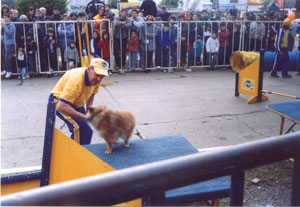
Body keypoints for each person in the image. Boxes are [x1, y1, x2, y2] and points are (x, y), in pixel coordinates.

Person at [48, 58, 109, 145]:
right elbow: (61, 106)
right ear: (89, 69)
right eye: (97, 74)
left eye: (102, 76)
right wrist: (84, 117)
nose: (99, 79)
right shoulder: (76, 79)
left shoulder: (96, 81)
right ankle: (74, 156)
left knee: (87, 129)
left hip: (76, 102)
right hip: (58, 101)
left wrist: (88, 112)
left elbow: (91, 96)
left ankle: (84, 153)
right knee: (78, 128)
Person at [1, 14, 16, 79]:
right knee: (4, 57)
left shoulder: (11, 25)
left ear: (9, 18)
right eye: (4, 18)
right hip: (5, 43)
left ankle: (9, 71)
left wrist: (5, 27)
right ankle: (5, 69)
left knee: (7, 57)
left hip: (10, 43)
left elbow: (10, 34)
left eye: (6, 18)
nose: (5, 19)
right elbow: (2, 34)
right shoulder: (4, 25)